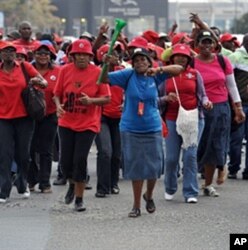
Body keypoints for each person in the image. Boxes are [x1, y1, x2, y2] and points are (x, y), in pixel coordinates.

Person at [101, 47, 183, 217]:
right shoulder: (128, 75)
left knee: (154, 167)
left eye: (143, 59)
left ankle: (149, 195)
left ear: (149, 62)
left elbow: (179, 69)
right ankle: (136, 205)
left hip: (152, 127)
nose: (139, 63)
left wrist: (158, 69)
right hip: (130, 128)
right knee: (136, 168)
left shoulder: (156, 75)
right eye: (136, 60)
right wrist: (106, 65)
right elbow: (103, 79)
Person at [53, 39, 111, 212]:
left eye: (85, 55)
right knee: (65, 162)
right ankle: (71, 184)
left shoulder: (98, 73)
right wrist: (58, 106)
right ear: (72, 56)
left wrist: (91, 100)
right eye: (78, 55)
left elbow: (107, 98)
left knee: (80, 160)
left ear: (90, 56)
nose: (81, 58)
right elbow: (56, 94)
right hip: (66, 122)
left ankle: (79, 198)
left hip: (88, 124)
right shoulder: (64, 71)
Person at [193, 30, 245, 197]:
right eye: (203, 42)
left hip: (221, 108)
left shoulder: (223, 61)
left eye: (210, 42)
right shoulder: (191, 63)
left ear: (214, 44)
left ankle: (208, 183)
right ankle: (192, 183)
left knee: (216, 144)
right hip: (198, 109)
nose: (207, 45)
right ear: (197, 45)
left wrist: (238, 108)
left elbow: (232, 86)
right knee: (199, 145)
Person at [161, 44, 212, 203]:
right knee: (171, 158)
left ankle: (190, 192)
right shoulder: (165, 76)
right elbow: (155, 98)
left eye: (184, 56)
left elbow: (203, 95)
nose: (181, 58)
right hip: (171, 118)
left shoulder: (195, 74)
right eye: (178, 56)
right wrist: (165, 98)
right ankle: (170, 187)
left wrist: (206, 102)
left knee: (190, 156)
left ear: (189, 59)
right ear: (172, 58)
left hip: (194, 119)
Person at [0, 42, 47, 203]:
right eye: (5, 51)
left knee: (23, 155)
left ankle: (23, 183)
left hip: (24, 118)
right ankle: (4, 190)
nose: (9, 54)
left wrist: (38, 82)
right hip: (3, 119)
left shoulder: (25, 67)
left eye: (12, 51)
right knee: (4, 155)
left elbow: (43, 82)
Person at [27, 42, 60, 193]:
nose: (42, 56)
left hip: (50, 115)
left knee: (46, 149)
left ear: (51, 56)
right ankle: (31, 180)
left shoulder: (58, 71)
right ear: (34, 55)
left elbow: (62, 90)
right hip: (30, 116)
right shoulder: (28, 70)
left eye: (46, 54)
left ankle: (45, 182)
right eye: (39, 53)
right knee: (31, 149)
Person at [95, 44, 124, 198]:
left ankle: (113, 183)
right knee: (106, 151)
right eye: (110, 53)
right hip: (101, 116)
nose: (115, 56)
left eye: (116, 53)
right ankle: (102, 187)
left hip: (119, 117)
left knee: (117, 154)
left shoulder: (123, 72)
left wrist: (127, 102)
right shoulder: (96, 72)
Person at [227, 33, 248, 180]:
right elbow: (228, 81)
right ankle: (233, 167)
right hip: (239, 105)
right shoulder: (235, 57)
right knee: (236, 139)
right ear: (246, 43)